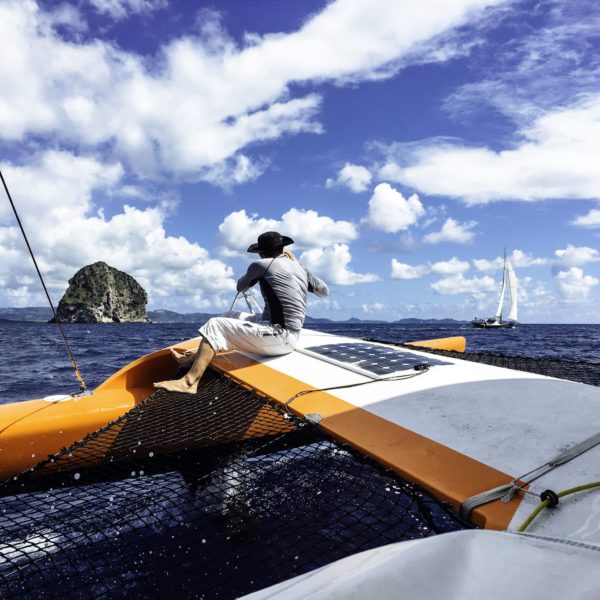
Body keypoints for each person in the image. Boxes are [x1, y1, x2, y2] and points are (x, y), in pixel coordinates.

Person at [154, 231, 329, 394]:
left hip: (279, 336)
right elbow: (323, 291)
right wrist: (296, 265)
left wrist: (259, 274)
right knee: (228, 316)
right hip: (283, 332)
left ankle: (189, 382)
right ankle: (190, 361)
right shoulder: (299, 267)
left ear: (261, 252)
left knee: (215, 325)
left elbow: (241, 286)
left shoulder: (261, 265)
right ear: (282, 248)